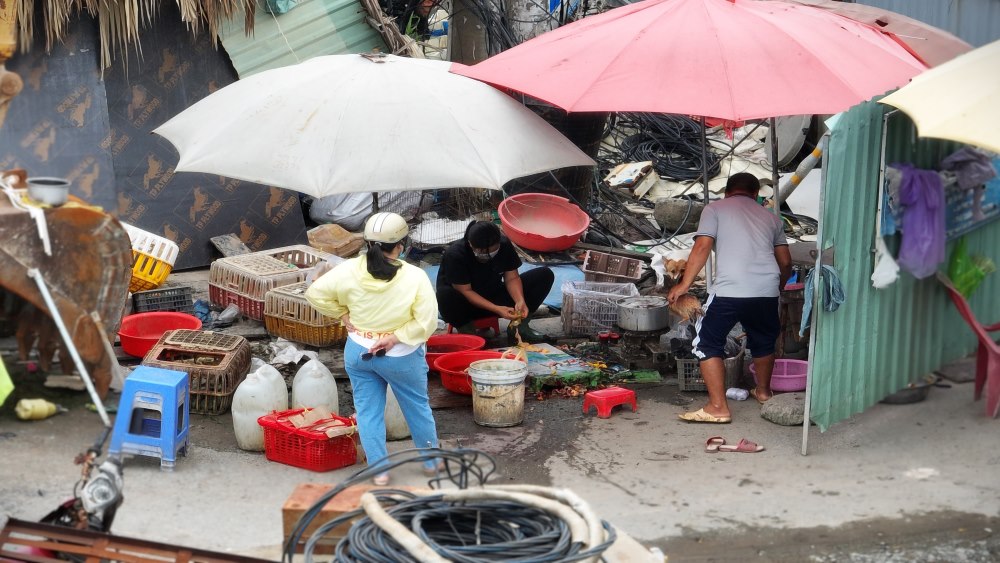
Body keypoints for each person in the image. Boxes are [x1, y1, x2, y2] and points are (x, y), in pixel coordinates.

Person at [305, 212, 441, 485]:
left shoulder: (348, 269)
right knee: (417, 408)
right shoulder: (415, 276)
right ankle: (431, 463)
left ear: (368, 243)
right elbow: (426, 323)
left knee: (367, 413)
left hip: (359, 352)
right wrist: (394, 337)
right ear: (401, 246)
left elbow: (314, 293)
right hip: (400, 356)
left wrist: (341, 313)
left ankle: (380, 472)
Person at [667, 173, 792, 423]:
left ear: (727, 191)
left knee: (706, 342)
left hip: (730, 289)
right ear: (756, 194)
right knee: (763, 339)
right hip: (766, 289)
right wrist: (775, 286)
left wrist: (683, 284)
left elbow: (702, 247)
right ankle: (764, 392)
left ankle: (717, 407)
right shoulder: (772, 218)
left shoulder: (714, 209)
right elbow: (786, 262)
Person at [436, 221, 553, 344]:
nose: (487, 256)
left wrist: (520, 300)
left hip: (493, 296)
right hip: (465, 307)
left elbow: (512, 278)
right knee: (445, 295)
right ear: (470, 244)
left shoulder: (504, 245)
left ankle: (518, 328)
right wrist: (497, 309)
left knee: (544, 275)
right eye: (481, 252)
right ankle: (469, 335)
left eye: (492, 251)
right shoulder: (455, 254)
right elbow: (466, 291)